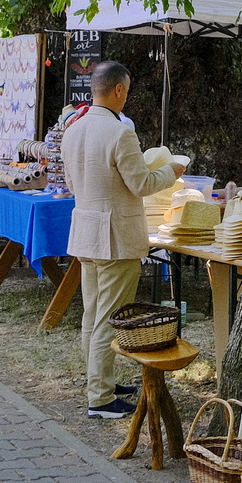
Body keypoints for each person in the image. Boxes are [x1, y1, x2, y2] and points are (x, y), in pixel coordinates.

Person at [62, 60, 185, 418]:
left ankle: (99, 381)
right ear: (118, 90)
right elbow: (142, 184)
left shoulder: (73, 128)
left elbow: (72, 184)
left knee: (93, 314)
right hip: (115, 236)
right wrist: (171, 171)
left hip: (85, 231)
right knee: (108, 318)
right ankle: (100, 397)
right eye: (127, 91)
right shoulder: (120, 133)